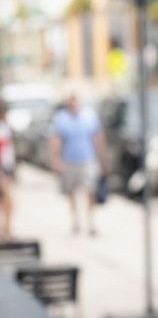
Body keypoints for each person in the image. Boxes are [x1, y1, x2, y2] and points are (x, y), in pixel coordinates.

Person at [50, 95, 109, 236]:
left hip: (88, 159)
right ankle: (75, 221)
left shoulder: (89, 116)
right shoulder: (61, 118)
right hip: (69, 160)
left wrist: (103, 160)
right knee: (72, 192)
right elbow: (56, 140)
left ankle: (91, 222)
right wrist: (56, 159)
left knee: (91, 190)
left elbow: (98, 138)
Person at [0, 100, 16, 239]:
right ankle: (6, 228)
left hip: (5, 168)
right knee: (7, 199)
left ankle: (7, 227)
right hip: (3, 168)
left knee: (7, 199)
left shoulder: (5, 127)